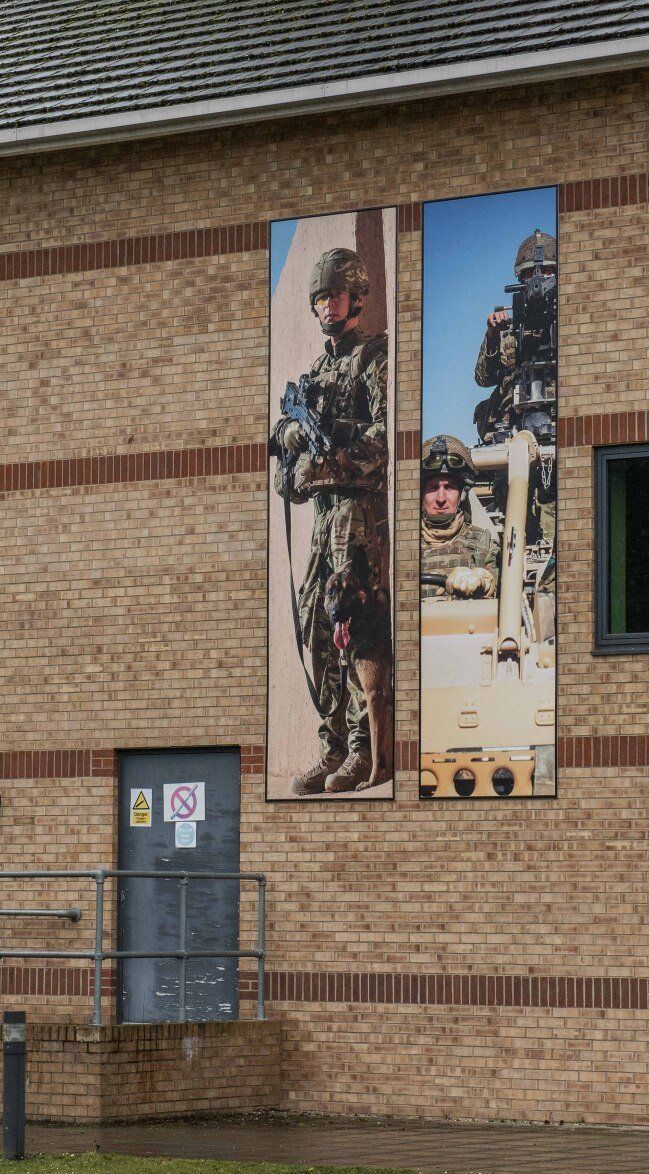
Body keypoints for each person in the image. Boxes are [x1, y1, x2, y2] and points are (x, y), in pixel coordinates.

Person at [270, 247, 392, 795]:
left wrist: (332, 452)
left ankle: (367, 751)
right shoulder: (315, 373)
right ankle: (333, 746)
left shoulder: (374, 357)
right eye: (319, 298)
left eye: (334, 296)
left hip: (356, 516)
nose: (326, 306)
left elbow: (385, 439)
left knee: (352, 627)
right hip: (322, 517)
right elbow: (287, 479)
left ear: (358, 299)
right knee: (314, 627)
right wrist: (293, 443)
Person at [472, 229, 558, 552]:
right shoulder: (508, 330)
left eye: (546, 271)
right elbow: (482, 377)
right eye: (529, 274)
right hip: (513, 438)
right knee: (515, 522)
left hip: (555, 435)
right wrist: (492, 335)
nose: (537, 280)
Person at [419, 435, 498, 600]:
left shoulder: (484, 542)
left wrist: (484, 580)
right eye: (433, 488)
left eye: (449, 487)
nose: (441, 499)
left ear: (462, 494)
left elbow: (502, 584)